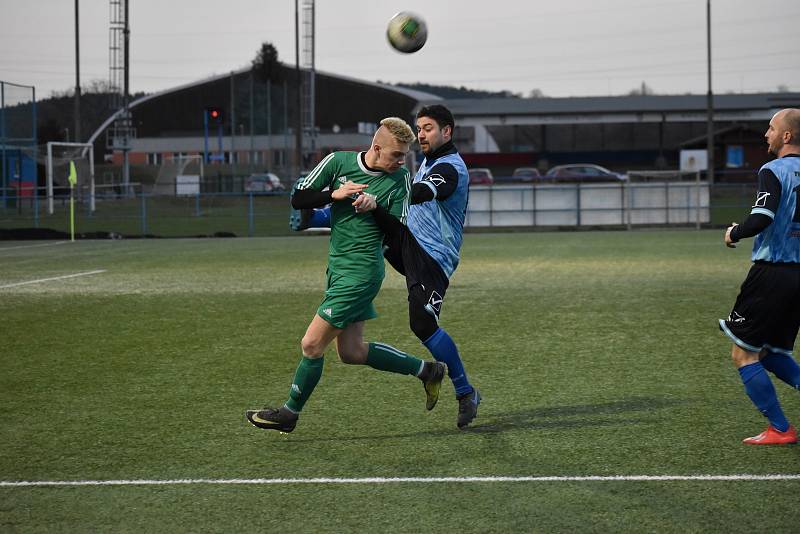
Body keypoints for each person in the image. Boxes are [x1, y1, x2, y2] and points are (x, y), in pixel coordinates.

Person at [246, 117, 446, 433]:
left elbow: (398, 233)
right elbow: (299, 197)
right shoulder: (338, 162)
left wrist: (376, 207)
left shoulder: (400, 180)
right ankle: (428, 370)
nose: (401, 161)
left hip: (362, 274)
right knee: (352, 352)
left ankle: (289, 413)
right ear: (376, 148)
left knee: (311, 345)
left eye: (404, 156)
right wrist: (333, 195)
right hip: (337, 269)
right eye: (395, 155)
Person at [295, 105, 480, 428]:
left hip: (431, 257)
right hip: (407, 242)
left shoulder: (451, 168)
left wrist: (394, 190)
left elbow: (421, 193)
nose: (421, 134)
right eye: (419, 128)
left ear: (447, 132)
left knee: (422, 324)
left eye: (429, 128)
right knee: (368, 235)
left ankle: (466, 392)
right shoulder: (428, 160)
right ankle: (321, 220)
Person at [720, 107, 800, 445]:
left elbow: (762, 217)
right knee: (770, 352)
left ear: (786, 136)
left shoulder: (774, 169)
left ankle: (780, 430)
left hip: (773, 274)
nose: (765, 134)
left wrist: (734, 232)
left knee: (744, 353)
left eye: (770, 129)